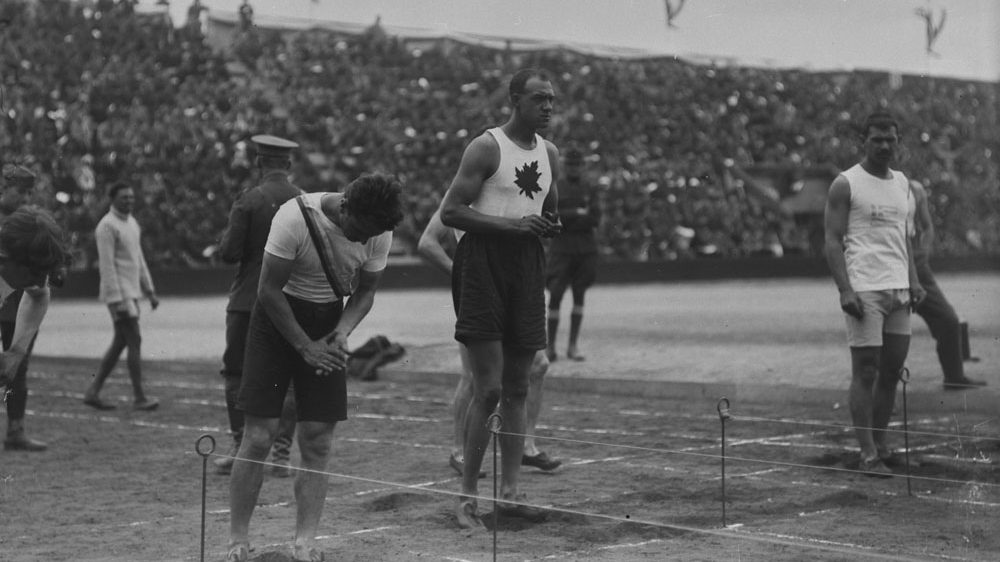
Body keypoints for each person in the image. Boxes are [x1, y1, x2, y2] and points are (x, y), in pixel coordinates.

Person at [226, 173, 404, 562]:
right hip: (275, 323)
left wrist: (342, 332)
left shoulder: (378, 230)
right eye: (360, 230)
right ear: (345, 207)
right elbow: (267, 291)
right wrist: (305, 347)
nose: (363, 239)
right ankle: (238, 540)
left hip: (327, 321)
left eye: (372, 234)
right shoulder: (294, 218)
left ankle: (305, 542)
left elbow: (365, 292)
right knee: (259, 436)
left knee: (318, 439)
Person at [439, 68, 562, 529]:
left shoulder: (550, 153)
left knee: (519, 385)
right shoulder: (487, 147)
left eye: (551, 100)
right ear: (514, 99)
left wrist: (550, 224)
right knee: (488, 388)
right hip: (482, 266)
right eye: (538, 99)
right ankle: (468, 496)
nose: (547, 107)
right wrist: (514, 226)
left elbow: (549, 210)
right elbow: (452, 211)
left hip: (526, 267)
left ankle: (509, 494)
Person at [417, 209, 562, 479]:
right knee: (475, 377)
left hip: (512, 287)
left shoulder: (509, 193)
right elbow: (427, 242)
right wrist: (462, 272)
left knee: (538, 365)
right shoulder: (463, 197)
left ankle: (525, 445)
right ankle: (459, 452)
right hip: (478, 293)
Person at [824, 111, 926, 477]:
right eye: (877, 139)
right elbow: (832, 240)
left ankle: (881, 444)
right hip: (865, 289)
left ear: (898, 142)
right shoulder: (846, 183)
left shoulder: (902, 182)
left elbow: (904, 238)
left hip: (899, 289)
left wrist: (914, 281)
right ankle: (867, 453)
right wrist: (845, 289)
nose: (884, 145)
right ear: (863, 141)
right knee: (866, 370)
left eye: (890, 139)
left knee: (891, 372)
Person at [215, 135, 304, 477]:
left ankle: (241, 449)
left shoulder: (249, 200)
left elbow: (229, 253)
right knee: (289, 378)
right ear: (289, 164)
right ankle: (281, 455)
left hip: (247, 300)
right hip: (291, 299)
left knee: (236, 374)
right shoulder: (304, 201)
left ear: (258, 162)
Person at [83, 181, 160, 411]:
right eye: (124, 197)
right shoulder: (106, 226)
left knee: (121, 342)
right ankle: (139, 396)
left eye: (131, 197)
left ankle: (93, 391)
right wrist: (116, 300)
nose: (129, 201)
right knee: (134, 339)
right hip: (119, 293)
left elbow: (139, 259)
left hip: (131, 291)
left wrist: (149, 290)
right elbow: (106, 266)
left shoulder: (132, 223)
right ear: (112, 199)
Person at [1, 167, 62, 452]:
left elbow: (39, 294)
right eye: (20, 191)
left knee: (18, 370)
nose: (36, 282)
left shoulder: (29, 234)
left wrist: (16, 351)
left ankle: (15, 430)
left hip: (12, 305)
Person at [907, 179, 986, 390]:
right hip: (886, 267)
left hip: (917, 267)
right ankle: (878, 392)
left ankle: (954, 377)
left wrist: (922, 254)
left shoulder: (915, 189)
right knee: (885, 333)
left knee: (948, 320)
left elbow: (927, 227)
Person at [545, 147, 600, 362]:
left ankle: (573, 346)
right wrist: (578, 212)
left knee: (579, 294)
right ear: (563, 165)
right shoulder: (556, 187)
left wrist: (568, 219)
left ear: (583, 166)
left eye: (577, 164)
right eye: (570, 164)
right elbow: (552, 216)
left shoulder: (590, 188)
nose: (573, 168)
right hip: (561, 249)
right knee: (555, 295)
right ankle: (550, 347)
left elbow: (595, 218)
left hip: (585, 249)